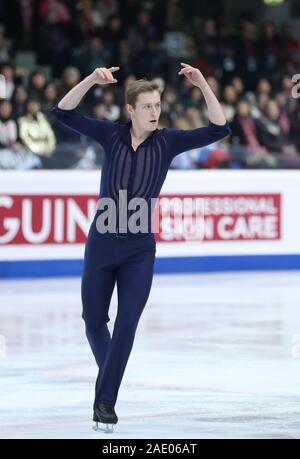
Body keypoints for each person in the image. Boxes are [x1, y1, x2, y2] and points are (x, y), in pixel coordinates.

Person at [50, 64, 230, 432]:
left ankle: (105, 401)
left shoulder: (169, 142)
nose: (154, 112)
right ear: (130, 110)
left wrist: (202, 85)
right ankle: (111, 375)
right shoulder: (110, 135)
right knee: (94, 322)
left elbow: (219, 128)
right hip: (100, 242)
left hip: (138, 250)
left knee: (127, 323)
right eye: (147, 106)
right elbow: (62, 112)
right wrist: (90, 80)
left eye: (157, 105)